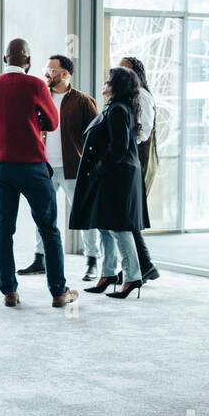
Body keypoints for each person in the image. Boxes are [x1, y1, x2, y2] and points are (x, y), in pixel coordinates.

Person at [0, 37, 78, 309]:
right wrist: (34, 121)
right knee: (49, 228)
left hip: (1, 167)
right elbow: (52, 121)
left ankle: (9, 291)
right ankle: (58, 292)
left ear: (4, 60)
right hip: (32, 167)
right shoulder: (36, 84)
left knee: (5, 230)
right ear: (29, 62)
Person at [17, 55, 100, 280]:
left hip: (74, 167)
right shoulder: (40, 97)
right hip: (44, 168)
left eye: (52, 69)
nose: (47, 72)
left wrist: (91, 166)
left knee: (84, 215)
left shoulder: (83, 101)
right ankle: (39, 258)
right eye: (46, 68)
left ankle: (92, 259)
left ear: (65, 74)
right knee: (41, 213)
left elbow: (96, 136)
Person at [71, 66, 146, 299]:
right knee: (105, 225)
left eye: (108, 81)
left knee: (118, 227)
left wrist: (98, 168)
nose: (104, 84)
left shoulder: (117, 111)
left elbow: (119, 147)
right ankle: (108, 273)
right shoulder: (116, 108)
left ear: (116, 86)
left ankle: (132, 277)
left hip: (116, 178)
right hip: (112, 177)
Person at [117, 56, 160, 284]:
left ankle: (143, 265)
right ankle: (141, 265)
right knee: (126, 216)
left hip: (139, 160)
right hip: (130, 159)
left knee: (128, 216)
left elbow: (143, 133)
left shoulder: (142, 96)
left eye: (125, 69)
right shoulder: (127, 97)